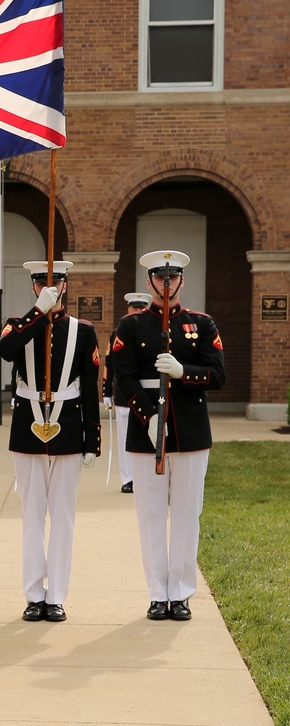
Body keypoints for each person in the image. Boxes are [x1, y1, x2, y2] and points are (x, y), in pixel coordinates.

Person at [113, 249, 225, 621]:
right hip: (147, 434)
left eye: (172, 277)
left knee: (187, 513)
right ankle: (157, 592)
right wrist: (146, 416)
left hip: (190, 432)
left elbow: (218, 375)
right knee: (150, 515)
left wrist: (182, 372)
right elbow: (124, 376)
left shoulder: (201, 324)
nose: (166, 283)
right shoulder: (130, 326)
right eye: (159, 277)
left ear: (181, 280)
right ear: (149, 282)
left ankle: (180, 592)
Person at [0, 261, 101, 622]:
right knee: (31, 516)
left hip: (69, 428)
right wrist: (38, 312)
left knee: (63, 517)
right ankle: (33, 594)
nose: (51, 288)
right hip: (28, 427)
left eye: (56, 282)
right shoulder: (18, 323)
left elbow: (90, 387)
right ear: (33, 287)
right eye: (44, 283)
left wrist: (93, 440)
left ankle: (56, 594)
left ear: (66, 285)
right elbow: (7, 350)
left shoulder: (83, 331)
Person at [103, 291, 151, 492]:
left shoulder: (154, 331)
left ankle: (146, 477)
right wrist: (106, 391)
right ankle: (128, 479)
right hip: (125, 396)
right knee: (125, 439)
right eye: (134, 307)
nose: (137, 311)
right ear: (128, 309)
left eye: (141, 308)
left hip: (148, 395)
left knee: (149, 437)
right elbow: (109, 364)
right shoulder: (117, 333)